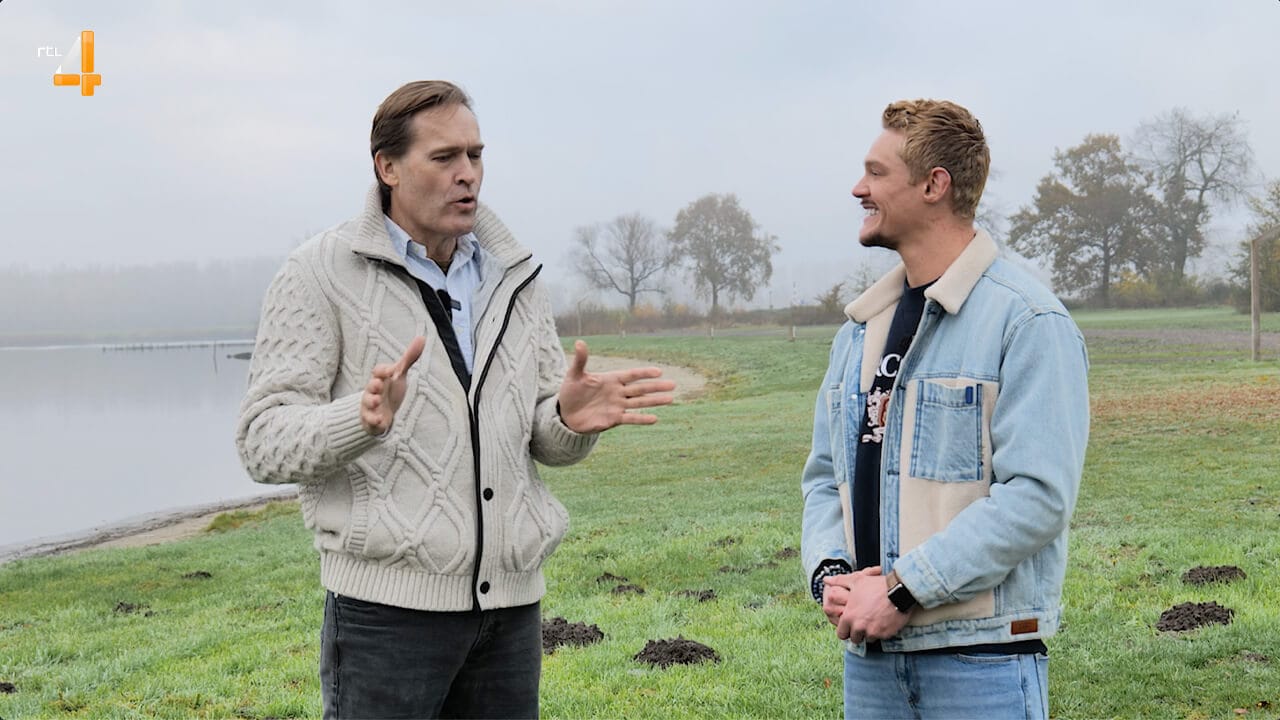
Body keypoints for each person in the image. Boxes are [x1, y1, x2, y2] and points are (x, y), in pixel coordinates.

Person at [235, 80, 675, 720]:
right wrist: (359, 419)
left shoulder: (515, 275)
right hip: (386, 621)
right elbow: (262, 442)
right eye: (444, 157)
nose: (467, 173)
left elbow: (542, 438)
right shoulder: (317, 274)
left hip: (511, 616)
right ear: (387, 167)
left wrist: (566, 419)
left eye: (475, 155)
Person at [800, 99, 1089, 719]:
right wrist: (832, 576)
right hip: (871, 665)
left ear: (934, 185)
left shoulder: (1028, 322)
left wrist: (903, 591)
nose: (858, 189)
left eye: (876, 172)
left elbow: (1037, 496)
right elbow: (825, 478)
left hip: (981, 666)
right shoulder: (858, 332)